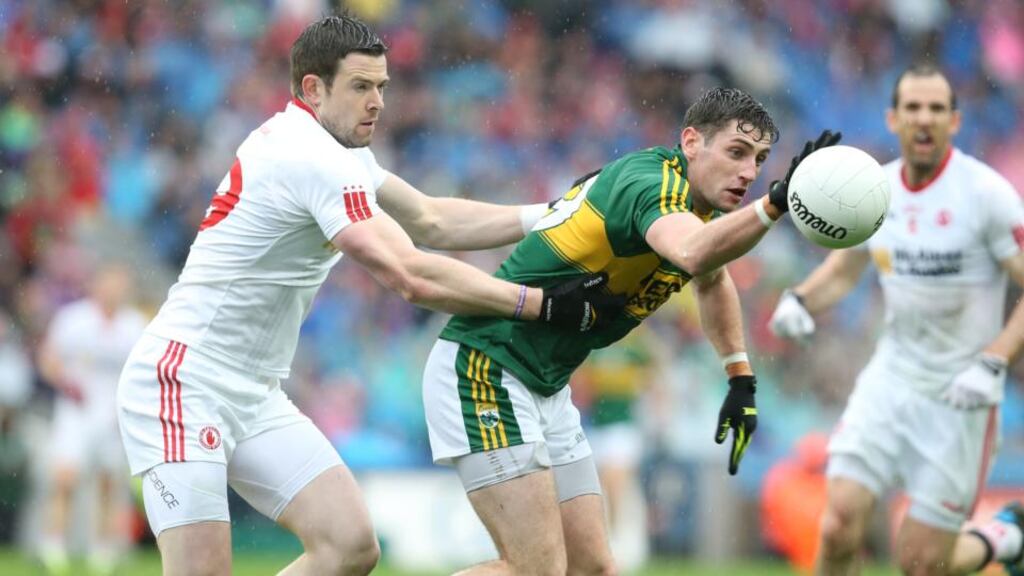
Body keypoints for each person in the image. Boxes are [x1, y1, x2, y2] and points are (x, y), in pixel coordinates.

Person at [115, 13, 620, 576]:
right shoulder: (309, 156)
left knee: (351, 546)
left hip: (253, 391)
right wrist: (541, 304)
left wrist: (556, 212)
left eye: (381, 86)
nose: (377, 102)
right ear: (313, 88)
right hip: (184, 380)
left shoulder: (335, 149)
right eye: (360, 86)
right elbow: (410, 274)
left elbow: (431, 219)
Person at [421, 86, 842, 574]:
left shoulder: (702, 209)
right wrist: (773, 204)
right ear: (691, 142)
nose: (749, 172)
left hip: (544, 384)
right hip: (486, 365)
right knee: (535, 569)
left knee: (594, 568)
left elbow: (712, 280)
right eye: (737, 152)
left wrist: (739, 376)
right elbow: (694, 254)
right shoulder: (651, 185)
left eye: (760, 160)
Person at [769, 64, 1024, 576]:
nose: (923, 118)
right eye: (913, 107)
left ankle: (1008, 536)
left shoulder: (987, 195)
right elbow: (844, 270)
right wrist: (799, 300)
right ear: (893, 118)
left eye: (936, 108)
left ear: (955, 120)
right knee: (837, 525)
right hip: (890, 381)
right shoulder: (875, 190)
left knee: (921, 563)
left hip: (961, 397)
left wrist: (993, 361)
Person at [38, 263, 147, 575]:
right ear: (97, 285)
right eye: (109, 283)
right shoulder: (73, 319)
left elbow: (143, 371)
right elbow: (48, 358)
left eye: (120, 284)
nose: (114, 290)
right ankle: (53, 547)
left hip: (112, 415)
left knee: (108, 482)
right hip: (76, 411)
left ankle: (103, 551)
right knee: (65, 478)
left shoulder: (134, 325)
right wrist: (64, 382)